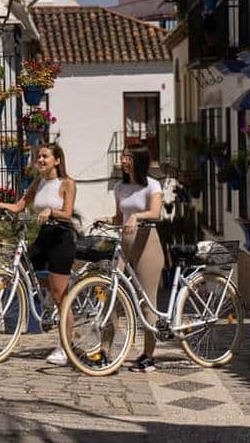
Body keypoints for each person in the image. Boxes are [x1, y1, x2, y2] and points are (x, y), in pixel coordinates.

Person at [0, 143, 77, 366]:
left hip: (61, 238)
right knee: (21, 269)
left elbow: (68, 213)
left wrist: (51, 211)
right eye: (38, 157)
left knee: (60, 295)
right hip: (42, 237)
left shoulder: (67, 183)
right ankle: (43, 304)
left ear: (57, 160)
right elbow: (18, 207)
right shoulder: (38, 183)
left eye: (45, 156)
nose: (40, 160)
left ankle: (66, 346)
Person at [98, 145, 164, 372]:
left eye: (128, 157)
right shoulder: (120, 187)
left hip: (148, 245)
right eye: (123, 156)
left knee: (147, 301)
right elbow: (120, 217)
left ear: (139, 161)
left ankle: (148, 355)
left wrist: (137, 215)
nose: (123, 160)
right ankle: (104, 351)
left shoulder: (152, 186)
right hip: (125, 245)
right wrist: (105, 220)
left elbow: (155, 213)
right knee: (111, 297)